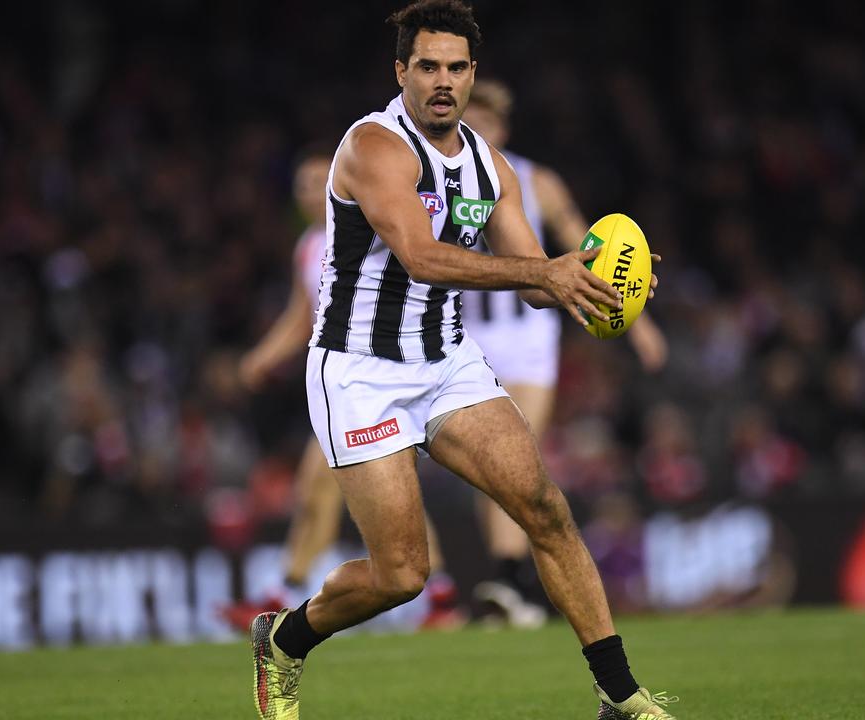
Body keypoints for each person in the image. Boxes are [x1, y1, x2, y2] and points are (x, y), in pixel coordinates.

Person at [250, 3, 678, 719]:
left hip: (445, 362)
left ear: (473, 75)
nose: (442, 81)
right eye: (428, 67)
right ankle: (285, 639)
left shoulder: (492, 168)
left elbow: (535, 278)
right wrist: (544, 275)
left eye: (455, 67)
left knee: (545, 508)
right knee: (401, 575)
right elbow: (420, 258)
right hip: (359, 373)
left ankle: (620, 696)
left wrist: (599, 284)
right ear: (401, 72)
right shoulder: (373, 148)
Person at [226, 149, 463, 630]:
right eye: (301, 186)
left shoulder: (371, 230)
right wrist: (263, 357)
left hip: (385, 378)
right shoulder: (309, 248)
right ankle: (441, 598)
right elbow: (302, 315)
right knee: (369, 493)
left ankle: (282, 596)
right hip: (347, 386)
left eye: (318, 181)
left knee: (328, 485)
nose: (310, 192)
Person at [460, 80, 668, 628]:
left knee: (517, 449)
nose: (479, 129)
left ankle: (512, 581)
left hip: (529, 336)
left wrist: (636, 317)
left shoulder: (535, 181)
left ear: (503, 129)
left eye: (488, 122)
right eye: (470, 119)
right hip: (467, 336)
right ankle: (513, 579)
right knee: (492, 457)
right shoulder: (440, 174)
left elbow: (587, 245)